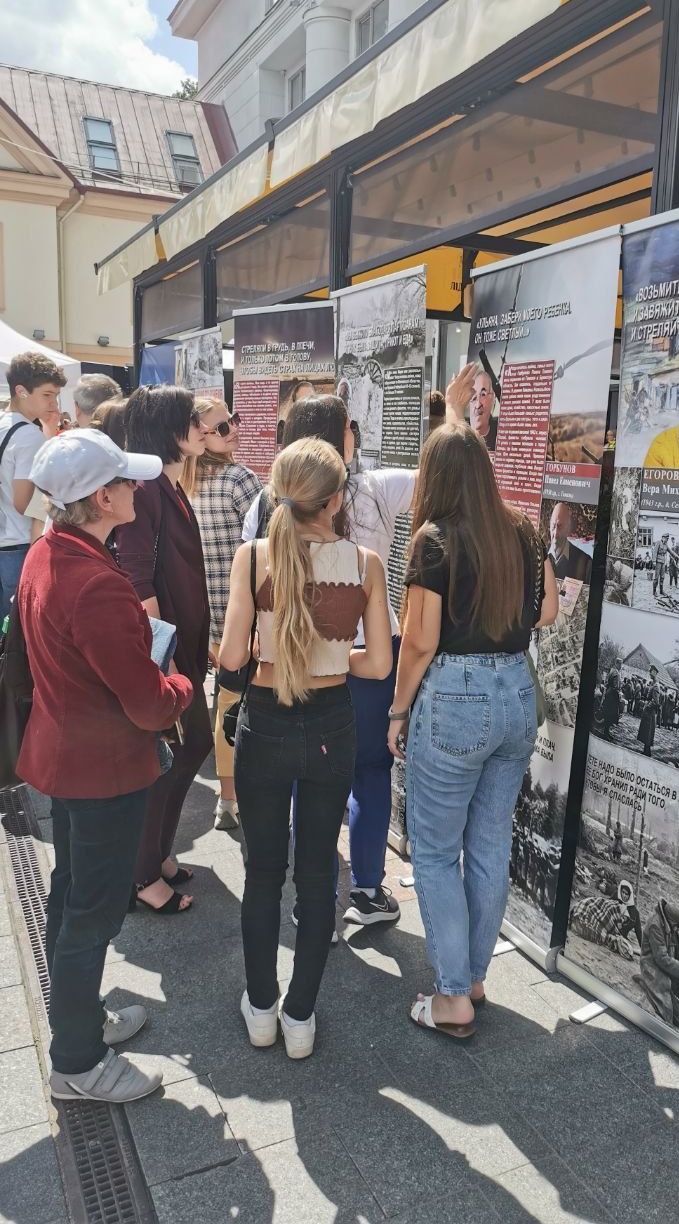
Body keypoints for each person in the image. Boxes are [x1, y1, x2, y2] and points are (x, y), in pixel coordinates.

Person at [241, 372, 472, 928]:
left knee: (299, 778)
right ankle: (366, 890)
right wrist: (457, 415)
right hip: (370, 658)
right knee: (369, 772)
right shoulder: (374, 488)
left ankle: (309, 893)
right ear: (338, 437)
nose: (357, 434)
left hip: (291, 662)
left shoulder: (265, 508)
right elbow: (446, 472)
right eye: (351, 426)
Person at [17, 429, 193, 1102]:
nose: (136, 488)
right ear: (99, 498)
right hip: (103, 768)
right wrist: (179, 684)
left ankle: (80, 1020)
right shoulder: (95, 582)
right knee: (91, 911)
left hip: (66, 754)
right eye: (124, 481)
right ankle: (77, 1062)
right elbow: (148, 706)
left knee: (72, 896)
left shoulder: (49, 551)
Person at [220, 438, 392, 1059]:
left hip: (264, 720)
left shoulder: (253, 558)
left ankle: (261, 1006)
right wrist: (326, 654)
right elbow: (377, 664)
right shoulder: (366, 564)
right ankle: (299, 1017)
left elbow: (232, 658)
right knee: (318, 875)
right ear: (337, 499)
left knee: (262, 872)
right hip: (330, 722)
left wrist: (283, 648)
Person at [387, 422, 558, 1038]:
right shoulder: (523, 529)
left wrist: (399, 710)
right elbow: (548, 611)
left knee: (435, 851)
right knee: (489, 846)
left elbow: (419, 640)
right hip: (516, 690)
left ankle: (452, 996)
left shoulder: (433, 539)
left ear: (434, 476)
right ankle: (474, 978)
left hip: (455, 695)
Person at [115, 386, 211, 913]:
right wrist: (166, 655)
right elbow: (135, 575)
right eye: (190, 417)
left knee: (189, 747)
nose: (201, 425)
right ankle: (142, 873)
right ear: (167, 426)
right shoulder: (150, 487)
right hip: (167, 650)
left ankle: (156, 855)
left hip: (184, 646)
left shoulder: (167, 485)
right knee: (173, 753)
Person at [183, 399, 262, 831]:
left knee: (224, 704)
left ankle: (225, 801)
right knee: (252, 706)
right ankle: (249, 798)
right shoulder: (240, 479)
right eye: (219, 427)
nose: (231, 429)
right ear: (201, 435)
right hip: (244, 611)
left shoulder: (187, 482)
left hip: (208, 613)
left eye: (232, 419)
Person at [1, 352, 66, 622]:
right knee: (19, 638)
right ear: (21, 391)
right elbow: (24, 502)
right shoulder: (27, 434)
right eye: (47, 394)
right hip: (19, 545)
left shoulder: (7, 425)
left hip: (6, 542)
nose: (53, 402)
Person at [639, 899, 679, 1026]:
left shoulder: (666, 925)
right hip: (651, 965)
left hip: (663, 965)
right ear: (671, 921)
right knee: (673, 1015)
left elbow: (671, 953)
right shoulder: (656, 926)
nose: (676, 929)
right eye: (676, 926)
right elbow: (661, 957)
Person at [548, 502, 591, 584]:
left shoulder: (585, 563)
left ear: (568, 529)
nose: (555, 533)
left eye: (560, 527)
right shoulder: (539, 557)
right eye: (553, 526)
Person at [469, 362, 500, 450]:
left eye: (483, 394)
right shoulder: (462, 440)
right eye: (474, 398)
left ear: (493, 398)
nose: (478, 405)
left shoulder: (501, 436)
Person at [637, 666, 661, 756]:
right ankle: (646, 750)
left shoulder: (656, 686)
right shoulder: (653, 684)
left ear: (654, 672)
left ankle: (647, 752)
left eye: (650, 672)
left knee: (648, 731)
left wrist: (647, 706)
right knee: (647, 731)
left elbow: (655, 701)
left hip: (650, 712)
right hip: (648, 712)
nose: (649, 674)